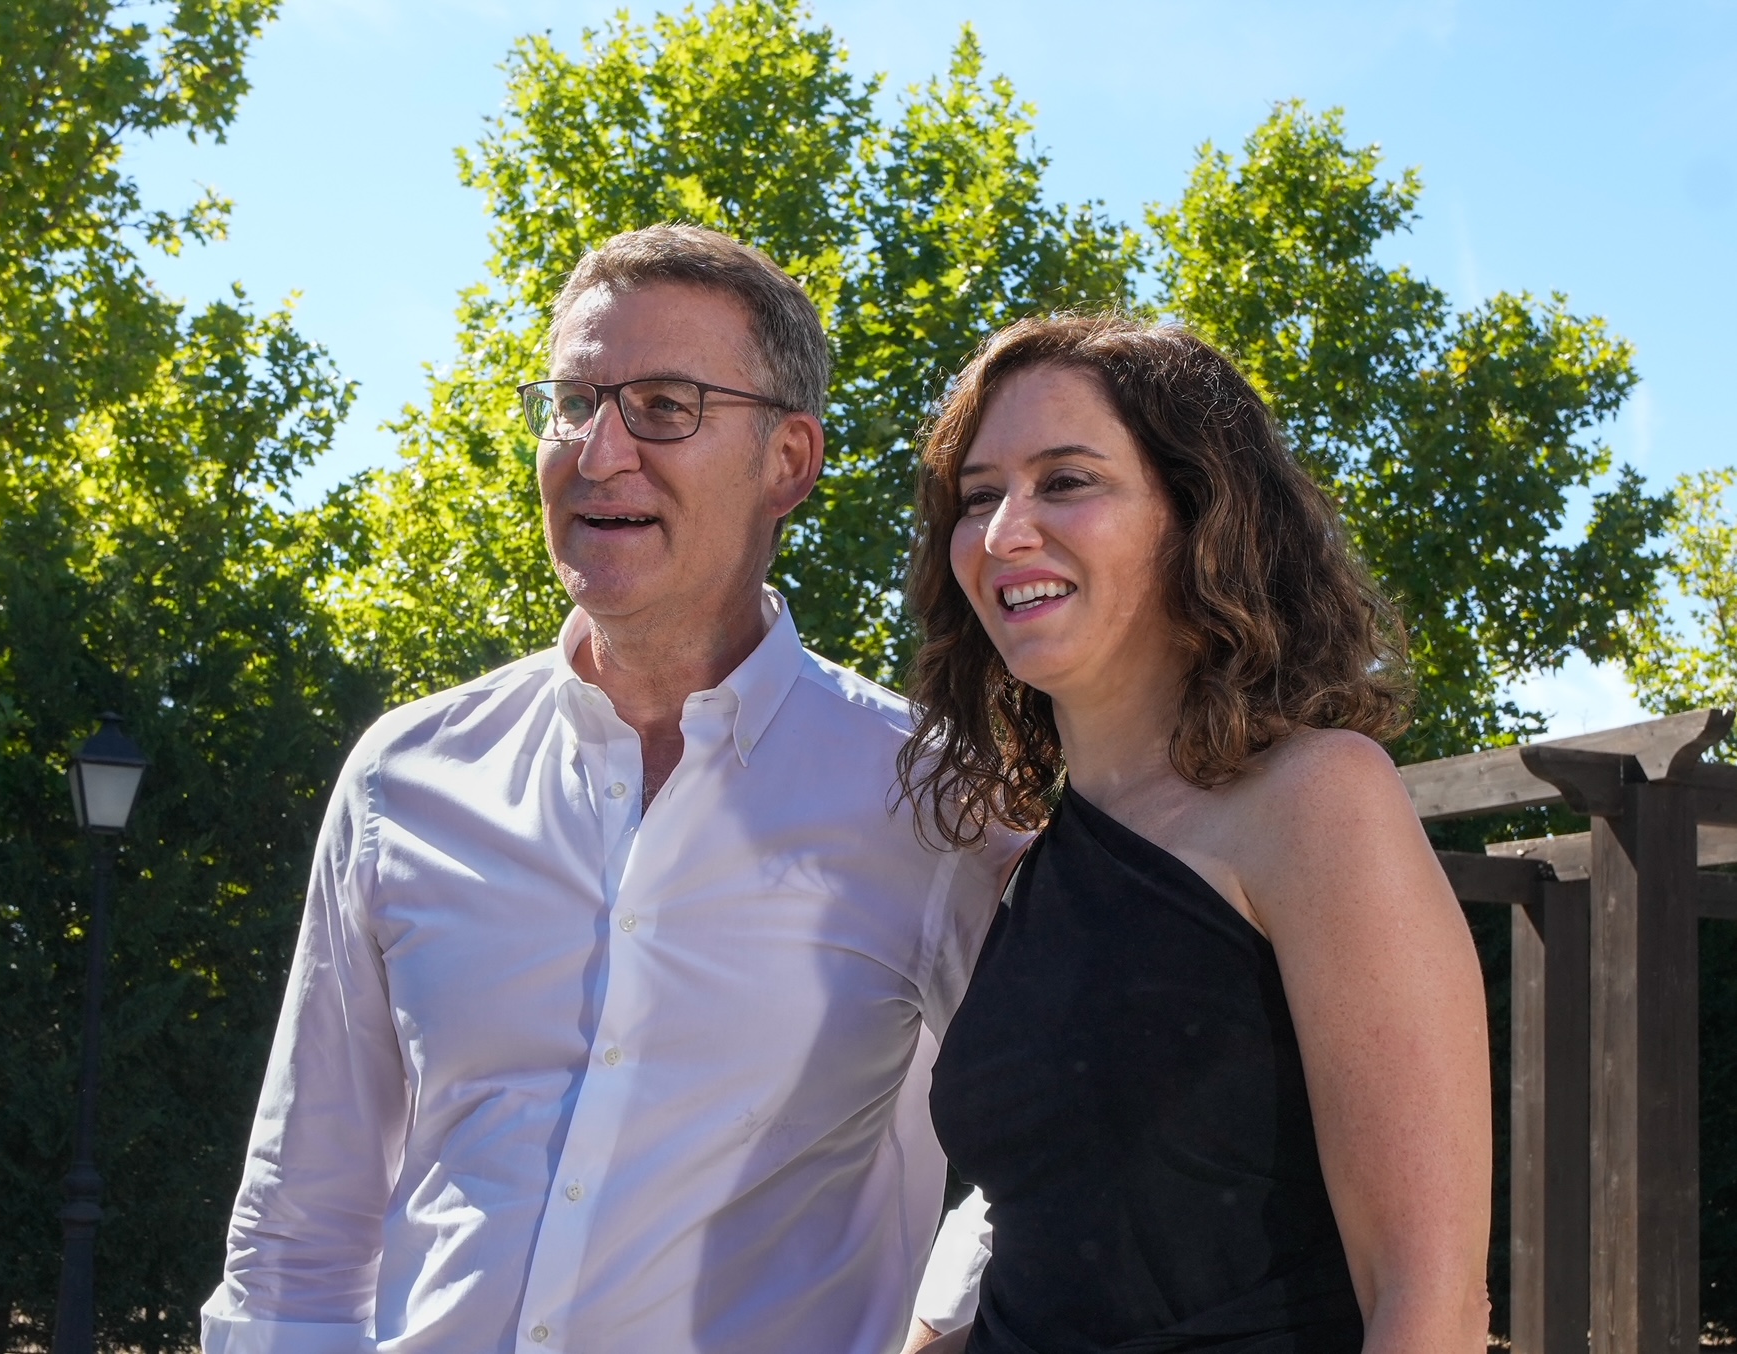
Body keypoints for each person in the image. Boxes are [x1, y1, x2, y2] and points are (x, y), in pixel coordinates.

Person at [199, 225, 1010, 1354]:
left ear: (788, 462)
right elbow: (301, 1220)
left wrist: (937, 1325)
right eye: (573, 400)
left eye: (666, 405)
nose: (599, 449)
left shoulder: (932, 802)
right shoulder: (404, 776)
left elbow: (1084, 1137)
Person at [896, 315, 1493, 1354]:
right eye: (979, 496)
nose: (1002, 533)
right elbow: (1061, 1257)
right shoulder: (1024, 871)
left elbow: (1429, 1298)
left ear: (1199, 515)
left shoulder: (1317, 800)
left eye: (1065, 481)